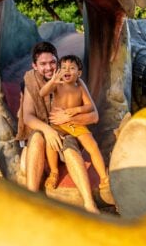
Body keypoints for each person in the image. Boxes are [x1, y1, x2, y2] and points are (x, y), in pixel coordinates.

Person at [18, 42, 100, 213]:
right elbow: (27, 116)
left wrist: (69, 115)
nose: (49, 68)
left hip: (68, 128)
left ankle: (89, 203)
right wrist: (48, 130)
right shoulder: (31, 82)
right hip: (45, 131)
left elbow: (94, 116)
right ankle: (30, 200)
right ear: (35, 66)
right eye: (43, 64)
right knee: (38, 137)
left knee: (70, 147)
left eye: (52, 62)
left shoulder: (73, 80)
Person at [39, 55, 110, 193]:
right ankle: (54, 172)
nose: (67, 70)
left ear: (79, 73)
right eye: (64, 67)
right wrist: (52, 81)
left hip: (74, 123)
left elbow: (89, 106)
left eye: (72, 68)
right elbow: (42, 93)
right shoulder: (57, 85)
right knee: (51, 143)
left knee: (92, 145)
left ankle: (103, 177)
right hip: (57, 124)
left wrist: (75, 110)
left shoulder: (79, 86)